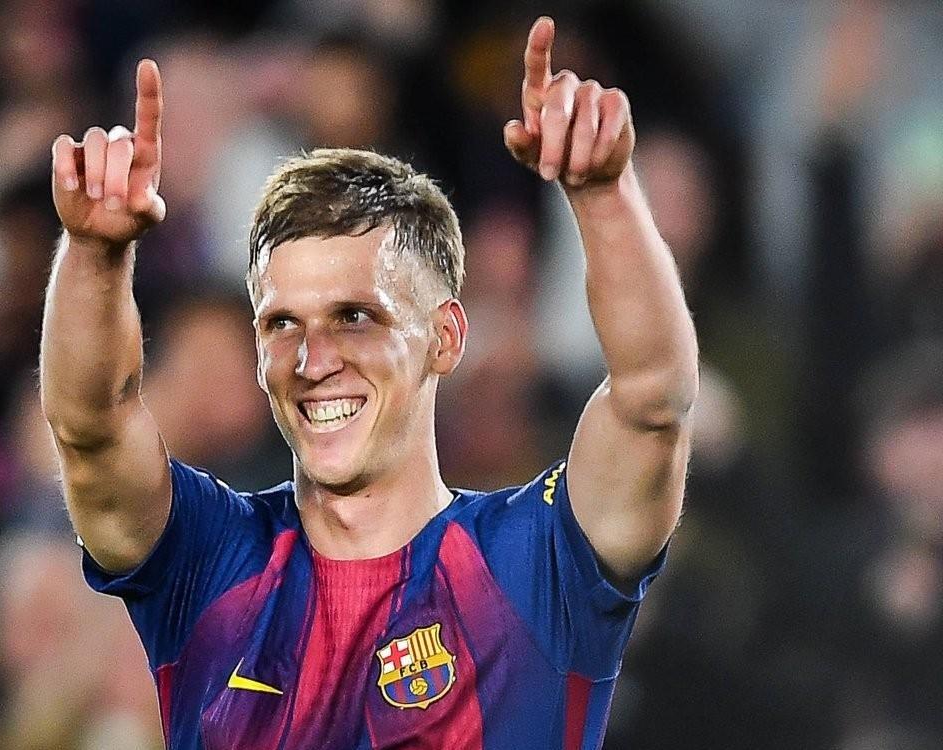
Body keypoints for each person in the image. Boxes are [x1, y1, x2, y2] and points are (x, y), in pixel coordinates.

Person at [40, 17, 697, 749]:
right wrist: (94, 252)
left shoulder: (536, 564)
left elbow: (652, 401)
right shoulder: (209, 561)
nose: (312, 358)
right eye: (282, 324)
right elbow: (90, 429)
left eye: (354, 317)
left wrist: (604, 196)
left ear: (445, 337)